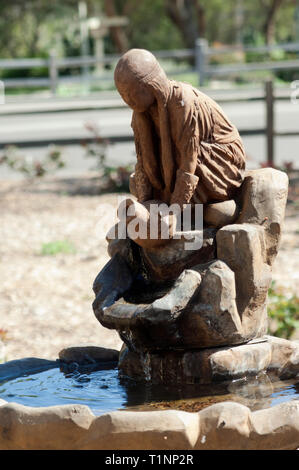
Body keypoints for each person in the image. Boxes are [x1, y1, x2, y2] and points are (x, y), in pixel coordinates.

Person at [114, 48, 246, 211]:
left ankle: (185, 207)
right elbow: (142, 160)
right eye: (123, 96)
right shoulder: (141, 113)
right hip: (183, 163)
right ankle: (164, 201)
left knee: (186, 157)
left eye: (132, 94)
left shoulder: (182, 103)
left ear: (150, 86)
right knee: (137, 183)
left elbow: (189, 160)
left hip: (220, 160)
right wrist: (146, 200)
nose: (128, 101)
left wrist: (174, 210)